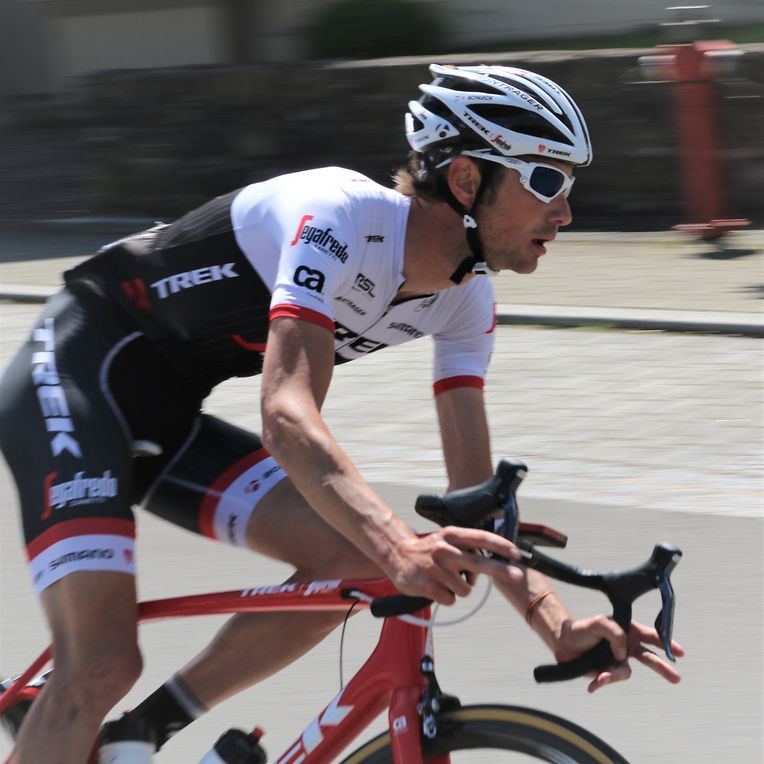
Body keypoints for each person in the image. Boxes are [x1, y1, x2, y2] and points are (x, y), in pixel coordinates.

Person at [0, 64, 683, 763]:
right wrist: (399, 545)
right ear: (466, 179)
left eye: (569, 186)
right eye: (544, 182)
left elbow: (474, 500)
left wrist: (556, 623)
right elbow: (287, 413)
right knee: (101, 664)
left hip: (166, 417)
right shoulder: (337, 218)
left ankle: (142, 731)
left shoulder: (466, 301)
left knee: (353, 560)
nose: (564, 211)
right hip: (75, 375)